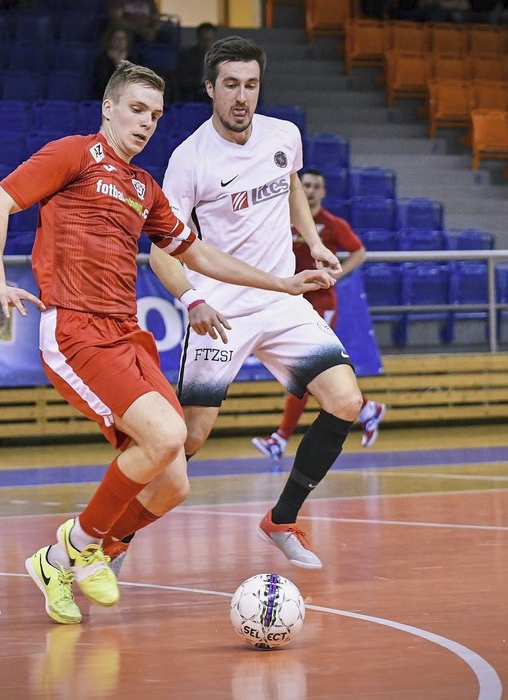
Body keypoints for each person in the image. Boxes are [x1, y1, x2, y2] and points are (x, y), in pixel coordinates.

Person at [0, 60, 333, 625]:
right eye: (137, 110)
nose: (146, 123)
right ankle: (77, 547)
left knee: (173, 483)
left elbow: (201, 255)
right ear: (109, 108)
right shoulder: (74, 154)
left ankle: (62, 561)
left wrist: (283, 281)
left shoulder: (145, 188)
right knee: (166, 434)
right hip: (76, 330)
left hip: (128, 336)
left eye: (156, 115)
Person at [145, 36, 368, 571]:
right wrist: (192, 297)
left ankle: (282, 520)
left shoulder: (282, 135)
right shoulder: (189, 159)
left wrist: (312, 240)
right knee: (189, 436)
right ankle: (115, 537)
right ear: (209, 89)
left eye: (250, 85)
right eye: (230, 86)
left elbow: (288, 181)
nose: (242, 97)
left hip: (283, 299)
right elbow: (161, 252)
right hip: (221, 309)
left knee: (345, 401)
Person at [251, 168, 386, 462]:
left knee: (306, 369)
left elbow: (359, 252)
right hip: (289, 301)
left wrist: (336, 272)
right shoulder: (283, 220)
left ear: (323, 192)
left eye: (316, 186)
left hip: (321, 302)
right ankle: (366, 408)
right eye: (306, 185)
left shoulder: (332, 224)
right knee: (306, 373)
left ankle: (280, 439)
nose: (310, 190)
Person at [176, 21, 215, 103]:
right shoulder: (188, 56)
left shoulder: (218, 56)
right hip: (195, 94)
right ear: (199, 38)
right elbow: (184, 81)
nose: (207, 43)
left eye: (209, 40)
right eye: (204, 40)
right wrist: (201, 81)